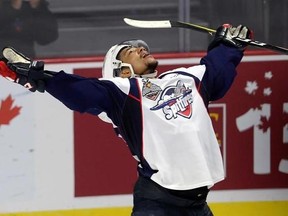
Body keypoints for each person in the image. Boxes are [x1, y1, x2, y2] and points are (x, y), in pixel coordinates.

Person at [0, 23, 252, 216]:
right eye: (131, 51)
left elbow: (216, 73)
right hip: (158, 204)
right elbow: (80, 91)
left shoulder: (184, 78)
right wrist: (37, 77)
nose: (142, 49)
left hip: (198, 204)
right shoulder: (122, 93)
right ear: (121, 70)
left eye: (141, 48)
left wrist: (228, 45)